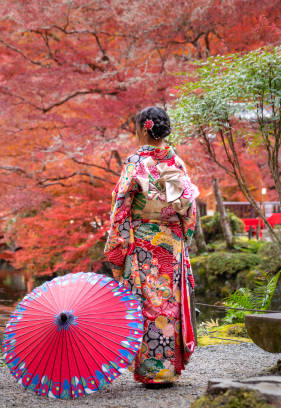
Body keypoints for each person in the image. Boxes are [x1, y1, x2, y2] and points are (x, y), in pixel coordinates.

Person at [104, 106, 199, 387]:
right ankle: (168, 369)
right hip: (172, 243)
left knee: (148, 304)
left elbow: (121, 207)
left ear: (144, 129)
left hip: (144, 242)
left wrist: (117, 249)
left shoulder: (136, 162)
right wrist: (182, 238)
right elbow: (189, 211)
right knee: (170, 303)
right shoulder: (177, 163)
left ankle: (151, 371)